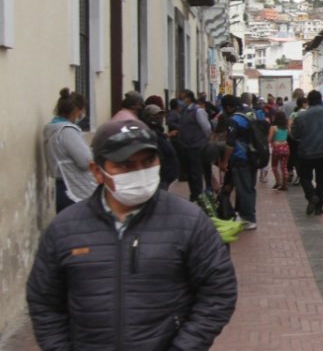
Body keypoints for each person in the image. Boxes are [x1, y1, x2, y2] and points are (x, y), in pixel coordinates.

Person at [26, 118, 237, 349]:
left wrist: (185, 346)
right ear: (97, 172)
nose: (140, 172)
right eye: (125, 165)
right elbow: (44, 301)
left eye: (148, 162)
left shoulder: (189, 222)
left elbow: (218, 290)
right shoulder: (65, 229)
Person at [43, 88, 93, 212]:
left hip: (62, 186)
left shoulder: (52, 130)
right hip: (74, 189)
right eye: (82, 111)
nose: (82, 115)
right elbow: (85, 162)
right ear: (77, 111)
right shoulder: (67, 132)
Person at [292, 90, 323, 216]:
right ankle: (319, 206)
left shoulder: (301, 116)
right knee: (322, 180)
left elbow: (296, 135)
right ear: (320, 100)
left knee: (305, 177)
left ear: (308, 101)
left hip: (306, 152)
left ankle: (311, 196)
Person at [220, 95, 258, 229]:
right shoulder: (251, 113)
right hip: (254, 156)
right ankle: (246, 215)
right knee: (250, 188)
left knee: (243, 189)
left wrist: (224, 161)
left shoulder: (234, 120)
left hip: (241, 158)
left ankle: (248, 219)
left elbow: (230, 144)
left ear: (229, 107)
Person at [176, 89, 213, 201]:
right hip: (187, 146)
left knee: (196, 173)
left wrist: (202, 140)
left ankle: (198, 195)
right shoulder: (184, 111)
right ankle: (194, 194)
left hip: (196, 146)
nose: (180, 101)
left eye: (182, 99)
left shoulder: (198, 111)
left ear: (188, 98)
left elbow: (206, 128)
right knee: (190, 173)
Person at [140, 104, 179, 192]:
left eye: (161, 115)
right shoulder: (149, 133)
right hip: (160, 175)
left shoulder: (158, 132)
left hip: (166, 175)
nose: (160, 118)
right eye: (156, 116)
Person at [268, 111, 291, 191]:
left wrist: (271, 142)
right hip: (286, 148)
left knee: (274, 166)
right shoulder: (286, 127)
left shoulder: (273, 127)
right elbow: (288, 135)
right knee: (284, 167)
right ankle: (285, 184)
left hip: (277, 149)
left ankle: (278, 182)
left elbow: (269, 139)